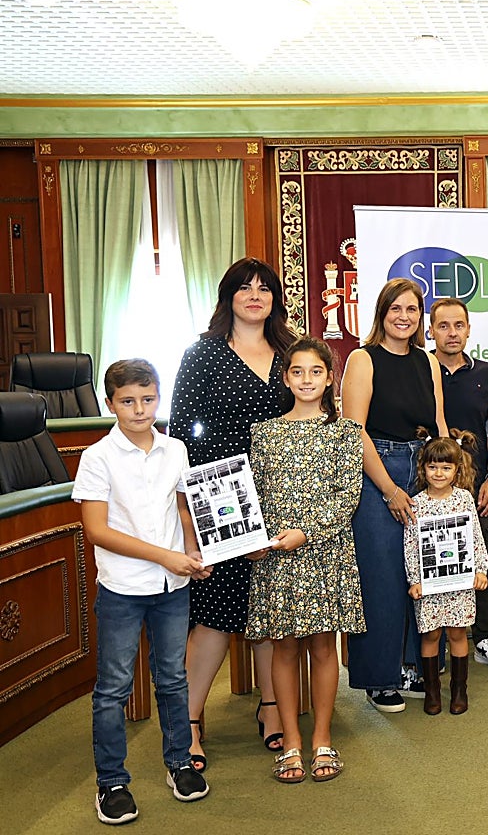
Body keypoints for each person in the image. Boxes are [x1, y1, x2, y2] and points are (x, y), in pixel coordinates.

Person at [170, 257, 295, 768]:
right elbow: (181, 430)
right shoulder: (202, 353)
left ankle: (270, 708)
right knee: (215, 614)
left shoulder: (291, 350)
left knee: (269, 610)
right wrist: (185, 511)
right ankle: (189, 721)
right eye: (244, 288)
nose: (254, 295)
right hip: (221, 496)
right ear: (228, 297)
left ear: (274, 299)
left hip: (282, 493)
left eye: (264, 288)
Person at [75, 359, 211, 824]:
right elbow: (97, 531)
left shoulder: (174, 449)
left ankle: (179, 763)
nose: (140, 409)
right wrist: (164, 556)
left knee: (173, 678)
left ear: (159, 397)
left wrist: (192, 553)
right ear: (110, 403)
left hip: (173, 585)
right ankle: (111, 782)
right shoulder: (97, 457)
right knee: (113, 687)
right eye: (128, 401)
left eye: (148, 399)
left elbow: (183, 507)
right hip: (123, 588)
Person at [245, 338, 365, 783]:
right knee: (284, 646)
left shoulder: (345, 432)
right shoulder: (265, 432)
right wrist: (251, 539)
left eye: (315, 371)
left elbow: (346, 496)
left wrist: (307, 533)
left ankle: (322, 739)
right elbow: (252, 496)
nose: (306, 380)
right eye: (297, 372)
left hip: (324, 552)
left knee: (321, 645)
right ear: (286, 377)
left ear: (329, 377)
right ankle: (291, 741)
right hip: (277, 555)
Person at [342, 278, 448, 712]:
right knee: (382, 577)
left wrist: (447, 482)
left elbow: (439, 424)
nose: (403, 317)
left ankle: (415, 667)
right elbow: (354, 432)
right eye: (395, 309)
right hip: (376, 474)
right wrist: (388, 488)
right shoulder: (362, 360)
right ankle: (380, 677)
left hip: (425, 470)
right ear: (381, 313)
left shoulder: (428, 361)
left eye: (411, 309)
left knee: (422, 575)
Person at [428, 298, 488, 672]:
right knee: (429, 562)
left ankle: (483, 637)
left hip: (477, 485)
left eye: (458, 325)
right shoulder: (420, 367)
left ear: (468, 329)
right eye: (443, 326)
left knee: (481, 563)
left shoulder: (487, 373)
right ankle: (436, 644)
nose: (451, 333)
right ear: (431, 330)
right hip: (429, 485)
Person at [405, 432, 488, 715]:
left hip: (460, 581)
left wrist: (480, 569)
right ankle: (431, 690)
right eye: (433, 467)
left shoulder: (465, 499)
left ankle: (458, 689)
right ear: (423, 468)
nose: (438, 473)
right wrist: (414, 580)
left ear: (457, 469)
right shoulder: (416, 503)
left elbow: (475, 536)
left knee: (457, 633)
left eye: (445, 467)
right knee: (431, 635)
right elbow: (410, 544)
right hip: (430, 585)